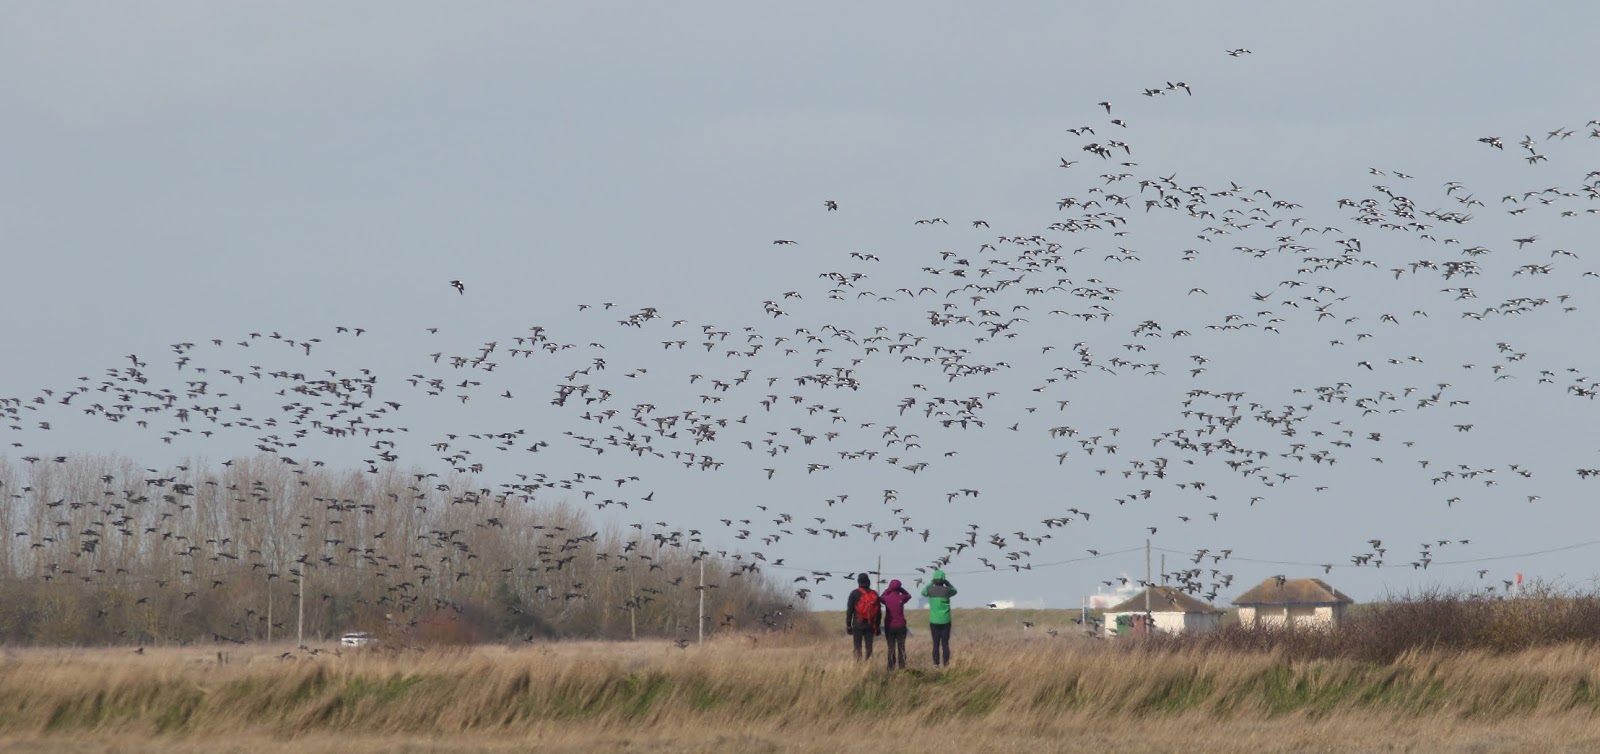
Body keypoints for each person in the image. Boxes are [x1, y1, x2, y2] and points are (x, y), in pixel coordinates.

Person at [922, 569, 957, 667]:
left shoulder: (930, 590)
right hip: (946, 620)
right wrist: (947, 583)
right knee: (945, 644)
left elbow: (923, 592)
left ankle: (936, 664)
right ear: (943, 579)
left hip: (934, 620)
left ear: (934, 579)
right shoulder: (947, 590)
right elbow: (955, 591)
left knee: (936, 644)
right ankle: (946, 663)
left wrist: (931, 582)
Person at [845, 572, 881, 660]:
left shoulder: (854, 594)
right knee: (869, 647)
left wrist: (849, 625)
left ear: (858, 582)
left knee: (857, 647)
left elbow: (850, 611)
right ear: (868, 581)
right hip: (870, 624)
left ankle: (858, 667)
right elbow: (878, 612)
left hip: (858, 624)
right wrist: (877, 626)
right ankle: (868, 664)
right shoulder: (874, 594)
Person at [879, 578, 913, 670]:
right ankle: (902, 666)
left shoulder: (886, 598)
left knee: (891, 646)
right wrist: (901, 589)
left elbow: (880, 597)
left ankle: (891, 666)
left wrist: (888, 590)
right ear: (899, 588)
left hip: (889, 625)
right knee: (901, 646)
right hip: (901, 625)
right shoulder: (902, 598)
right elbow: (909, 595)